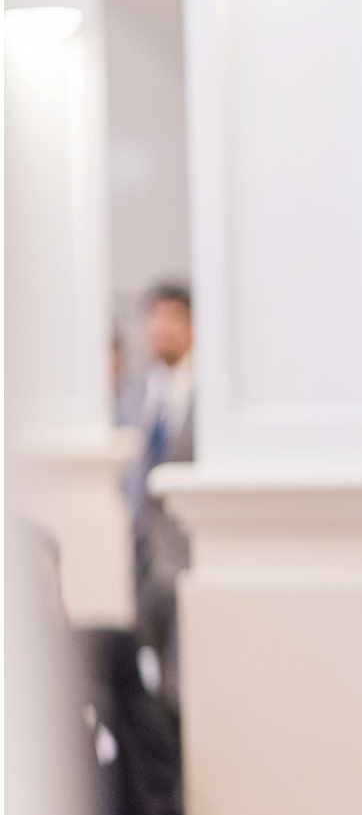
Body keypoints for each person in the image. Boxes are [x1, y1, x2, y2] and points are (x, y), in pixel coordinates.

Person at [118, 282, 195, 714]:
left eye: (170, 319)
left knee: (183, 682)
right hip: (140, 559)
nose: (159, 330)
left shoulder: (205, 396)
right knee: (144, 685)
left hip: (185, 558)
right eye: (153, 321)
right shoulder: (136, 396)